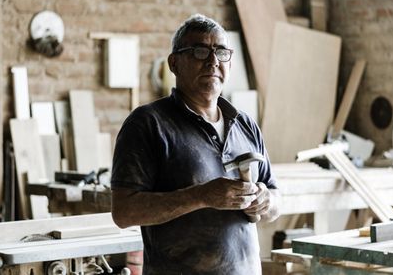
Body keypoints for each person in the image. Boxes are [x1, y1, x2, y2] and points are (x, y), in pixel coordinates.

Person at [111, 14, 280, 275]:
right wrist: (201, 196)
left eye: (221, 52)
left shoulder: (244, 124)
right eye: (200, 51)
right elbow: (124, 212)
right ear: (174, 63)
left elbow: (275, 197)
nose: (213, 61)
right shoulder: (148, 123)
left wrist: (266, 201)